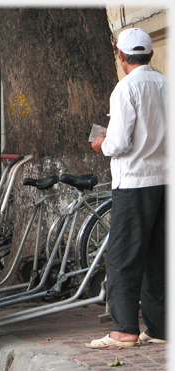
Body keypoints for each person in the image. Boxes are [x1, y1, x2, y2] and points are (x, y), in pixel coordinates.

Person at [87, 28, 168, 349]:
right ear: (149, 54)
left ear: (121, 56)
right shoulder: (166, 84)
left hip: (135, 181)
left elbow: (117, 143)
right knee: (159, 255)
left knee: (124, 254)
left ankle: (123, 329)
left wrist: (100, 143)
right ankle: (161, 326)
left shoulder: (126, 89)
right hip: (166, 180)